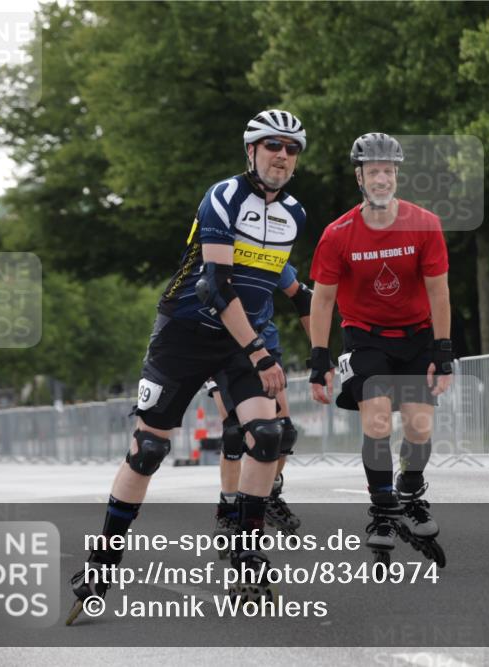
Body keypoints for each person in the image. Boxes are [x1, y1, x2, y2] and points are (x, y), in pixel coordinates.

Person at [67, 109, 307, 623]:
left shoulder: (295, 214)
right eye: (273, 145)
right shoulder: (222, 196)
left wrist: (319, 353)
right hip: (186, 331)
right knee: (149, 448)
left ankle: (246, 556)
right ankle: (102, 562)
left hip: (240, 340)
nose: (282, 156)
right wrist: (261, 352)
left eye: (292, 149)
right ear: (251, 151)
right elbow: (216, 285)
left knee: (267, 434)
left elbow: (275, 282)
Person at [308, 132, 452, 565]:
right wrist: (319, 357)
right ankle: (383, 510)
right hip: (365, 336)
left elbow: (439, 291)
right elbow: (323, 299)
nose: (382, 178)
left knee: (419, 427)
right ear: (360, 177)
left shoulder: (424, 223)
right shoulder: (337, 234)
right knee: (376, 418)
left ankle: (410, 491)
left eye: (388, 171)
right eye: (373, 171)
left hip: (416, 335)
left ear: (396, 175)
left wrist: (443, 351)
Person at [210, 262, 312, 548]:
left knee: (282, 433)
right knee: (235, 432)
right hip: (220, 350)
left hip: (265, 347)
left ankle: (268, 494)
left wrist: (320, 351)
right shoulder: (214, 251)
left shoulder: (269, 253)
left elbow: (302, 295)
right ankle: (228, 509)